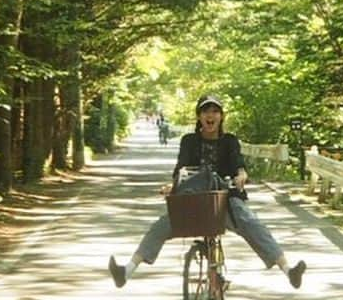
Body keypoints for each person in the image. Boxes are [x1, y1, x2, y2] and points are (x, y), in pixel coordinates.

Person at [109, 94, 307, 289]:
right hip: (192, 200)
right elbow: (181, 169)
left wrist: (241, 175)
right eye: (205, 111)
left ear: (221, 117)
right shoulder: (189, 141)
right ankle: (126, 271)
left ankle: (289, 271)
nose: (210, 116)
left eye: (215, 111)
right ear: (199, 116)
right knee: (161, 225)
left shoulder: (230, 141)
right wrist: (174, 185)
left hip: (225, 199)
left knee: (251, 223)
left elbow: (239, 165)